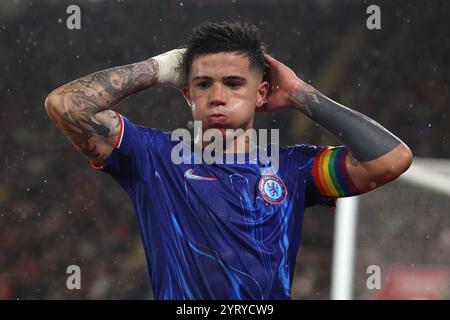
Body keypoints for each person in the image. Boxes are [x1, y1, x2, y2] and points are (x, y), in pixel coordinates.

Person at [44, 21, 412, 299]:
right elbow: (65, 105)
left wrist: (302, 94)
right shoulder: (152, 156)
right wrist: (160, 68)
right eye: (204, 84)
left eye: (234, 83)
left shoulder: (294, 169)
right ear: (187, 93)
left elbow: (391, 160)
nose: (217, 96)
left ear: (261, 92)